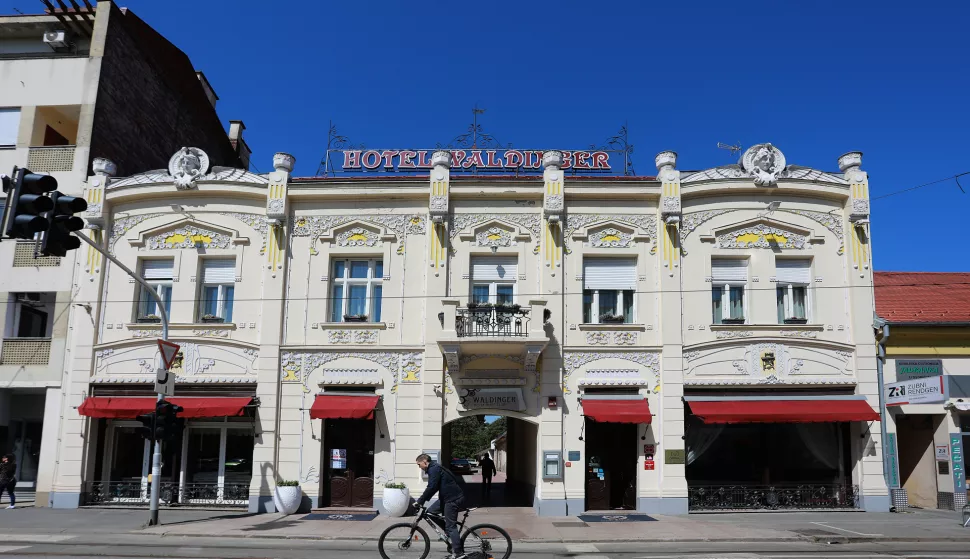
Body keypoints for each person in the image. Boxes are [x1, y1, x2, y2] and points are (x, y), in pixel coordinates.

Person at [415, 453, 467, 559]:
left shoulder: (434, 469)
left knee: (451, 526)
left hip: (452, 499)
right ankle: (449, 533)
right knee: (430, 512)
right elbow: (433, 487)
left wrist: (420, 501)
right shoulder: (434, 467)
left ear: (425, 462)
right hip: (446, 498)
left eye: (419, 464)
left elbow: (431, 487)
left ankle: (458, 553)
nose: (419, 467)